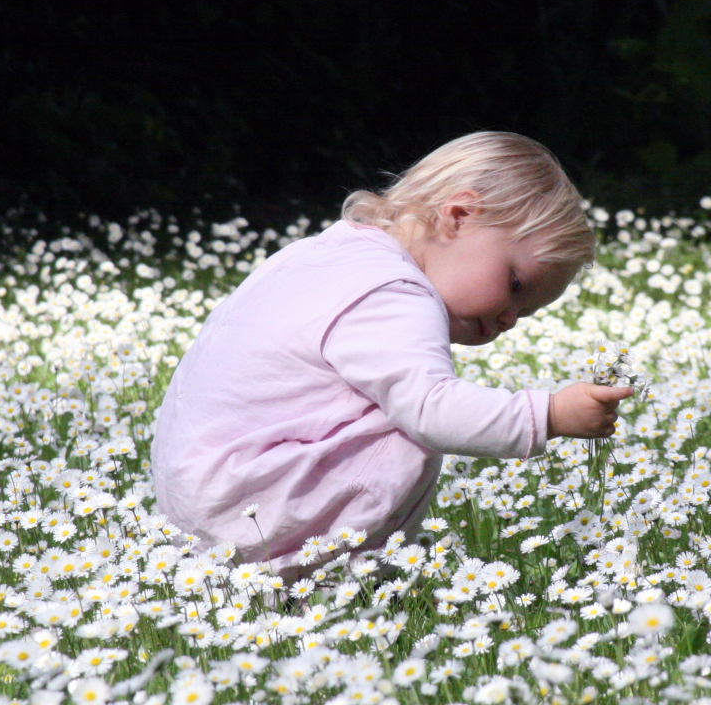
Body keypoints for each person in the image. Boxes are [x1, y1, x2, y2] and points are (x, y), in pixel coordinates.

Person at [150, 131, 633, 580]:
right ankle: (324, 574)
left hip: (205, 491)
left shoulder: (327, 254)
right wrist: (548, 413)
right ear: (459, 216)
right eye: (514, 285)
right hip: (250, 510)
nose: (508, 319)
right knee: (410, 418)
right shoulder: (395, 292)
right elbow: (432, 410)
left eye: (525, 313)